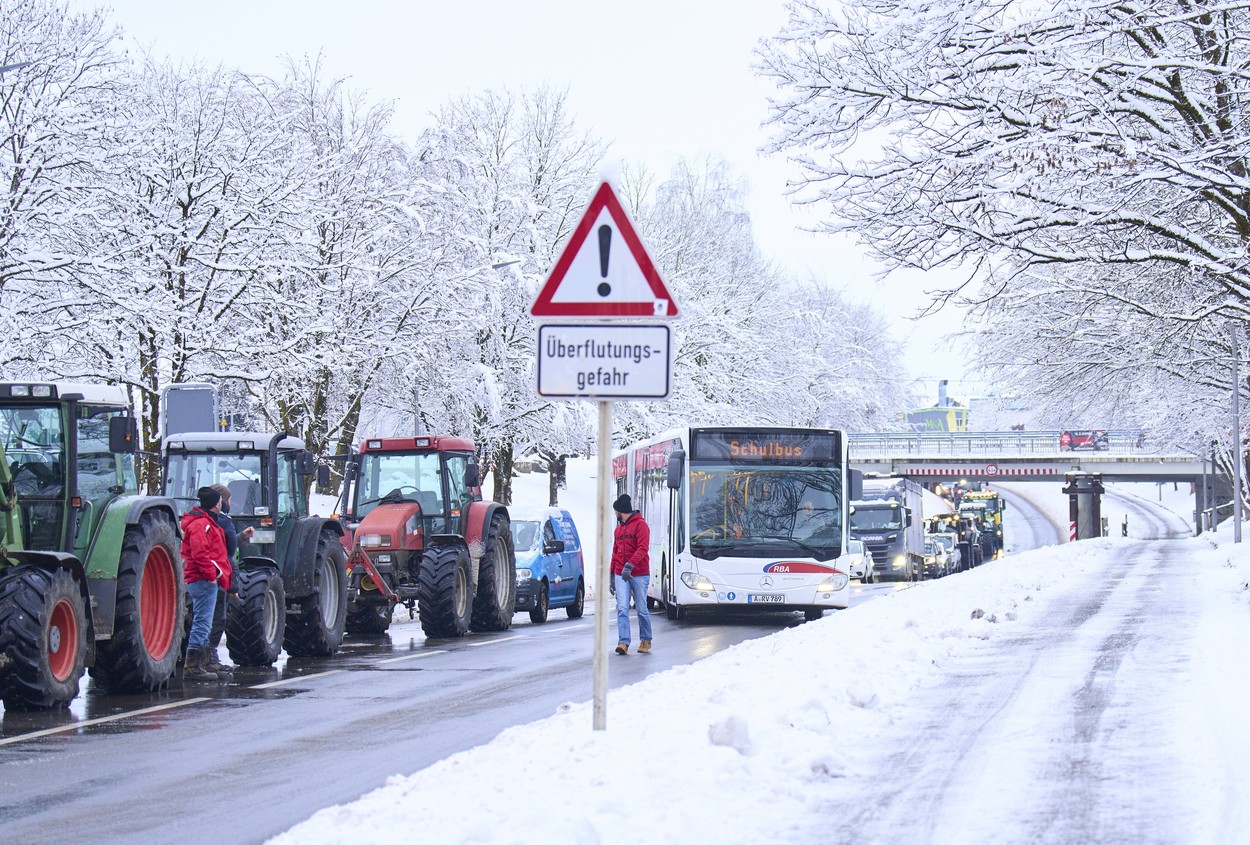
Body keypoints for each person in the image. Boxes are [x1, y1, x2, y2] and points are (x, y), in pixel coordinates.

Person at [205, 483, 256, 674]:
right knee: (216, 618)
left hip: (213, 577)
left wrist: (241, 536)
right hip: (216, 578)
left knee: (207, 618)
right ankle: (208, 657)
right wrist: (232, 587)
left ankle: (204, 657)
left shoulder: (204, 520)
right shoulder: (221, 522)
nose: (229, 503)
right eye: (228, 499)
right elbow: (226, 554)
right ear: (220, 501)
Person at [181, 486, 230, 681]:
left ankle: (204, 661)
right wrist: (211, 574)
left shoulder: (203, 522)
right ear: (215, 504)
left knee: (205, 622)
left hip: (205, 578)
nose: (222, 504)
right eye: (219, 501)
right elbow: (200, 553)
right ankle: (193, 665)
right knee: (202, 622)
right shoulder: (202, 525)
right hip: (203, 580)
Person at [610, 493, 652, 655]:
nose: (615, 514)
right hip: (621, 572)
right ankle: (623, 642)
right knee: (622, 607)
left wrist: (630, 565)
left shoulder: (641, 526)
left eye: (616, 511)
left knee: (641, 608)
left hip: (639, 573)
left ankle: (646, 639)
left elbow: (643, 548)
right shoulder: (618, 530)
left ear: (622, 511)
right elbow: (615, 552)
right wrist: (612, 574)